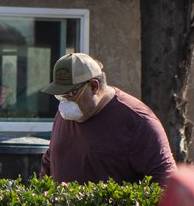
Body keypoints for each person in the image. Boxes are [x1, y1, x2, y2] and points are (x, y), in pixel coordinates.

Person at [40, 52, 176, 186]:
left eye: (71, 94)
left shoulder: (137, 121)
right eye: (60, 96)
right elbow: (51, 161)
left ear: (94, 86)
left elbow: (165, 180)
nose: (65, 102)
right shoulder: (65, 114)